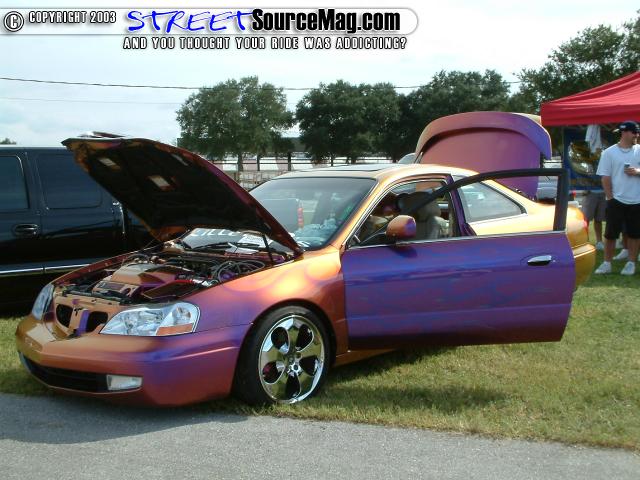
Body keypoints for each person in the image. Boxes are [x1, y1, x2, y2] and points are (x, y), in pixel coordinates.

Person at [594, 121, 640, 275]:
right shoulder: (609, 153)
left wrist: (638, 171)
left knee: (635, 234)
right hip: (616, 200)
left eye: (637, 133)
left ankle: (631, 263)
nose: (636, 135)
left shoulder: (639, 150)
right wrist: (610, 197)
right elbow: (605, 177)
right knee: (611, 234)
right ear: (625, 133)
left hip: (637, 200)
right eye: (634, 133)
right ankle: (607, 263)